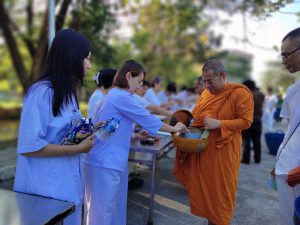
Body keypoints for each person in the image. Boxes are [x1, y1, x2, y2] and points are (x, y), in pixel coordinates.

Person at [84, 60, 189, 225]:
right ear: (128, 76)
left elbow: (107, 131)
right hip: (106, 162)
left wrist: (134, 135)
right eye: (139, 81)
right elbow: (148, 118)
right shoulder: (121, 96)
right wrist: (175, 128)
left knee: (111, 210)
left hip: (106, 160)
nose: (140, 87)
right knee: (102, 214)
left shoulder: (112, 95)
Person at [13, 29, 95, 225]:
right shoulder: (42, 93)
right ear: (71, 57)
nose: (89, 65)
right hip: (44, 189)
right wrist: (78, 148)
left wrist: (87, 130)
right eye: (86, 59)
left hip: (66, 183)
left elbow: (65, 131)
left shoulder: (67, 93)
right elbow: (30, 147)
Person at [173, 59, 254, 225]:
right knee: (206, 194)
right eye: (204, 81)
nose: (207, 85)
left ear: (223, 75)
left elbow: (246, 122)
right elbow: (197, 115)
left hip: (224, 152)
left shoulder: (240, 93)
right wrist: (185, 121)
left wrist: (219, 124)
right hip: (204, 150)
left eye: (210, 81)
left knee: (221, 196)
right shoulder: (205, 93)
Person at [275, 27, 300, 225]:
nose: (284, 60)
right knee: (287, 218)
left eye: (287, 54)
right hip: (286, 171)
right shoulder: (293, 90)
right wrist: (280, 157)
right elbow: (291, 131)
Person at [241, 79, 265, 164]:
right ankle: (257, 158)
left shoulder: (248, 94)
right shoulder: (261, 94)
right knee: (257, 140)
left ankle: (246, 159)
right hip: (258, 120)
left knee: (247, 140)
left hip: (249, 119)